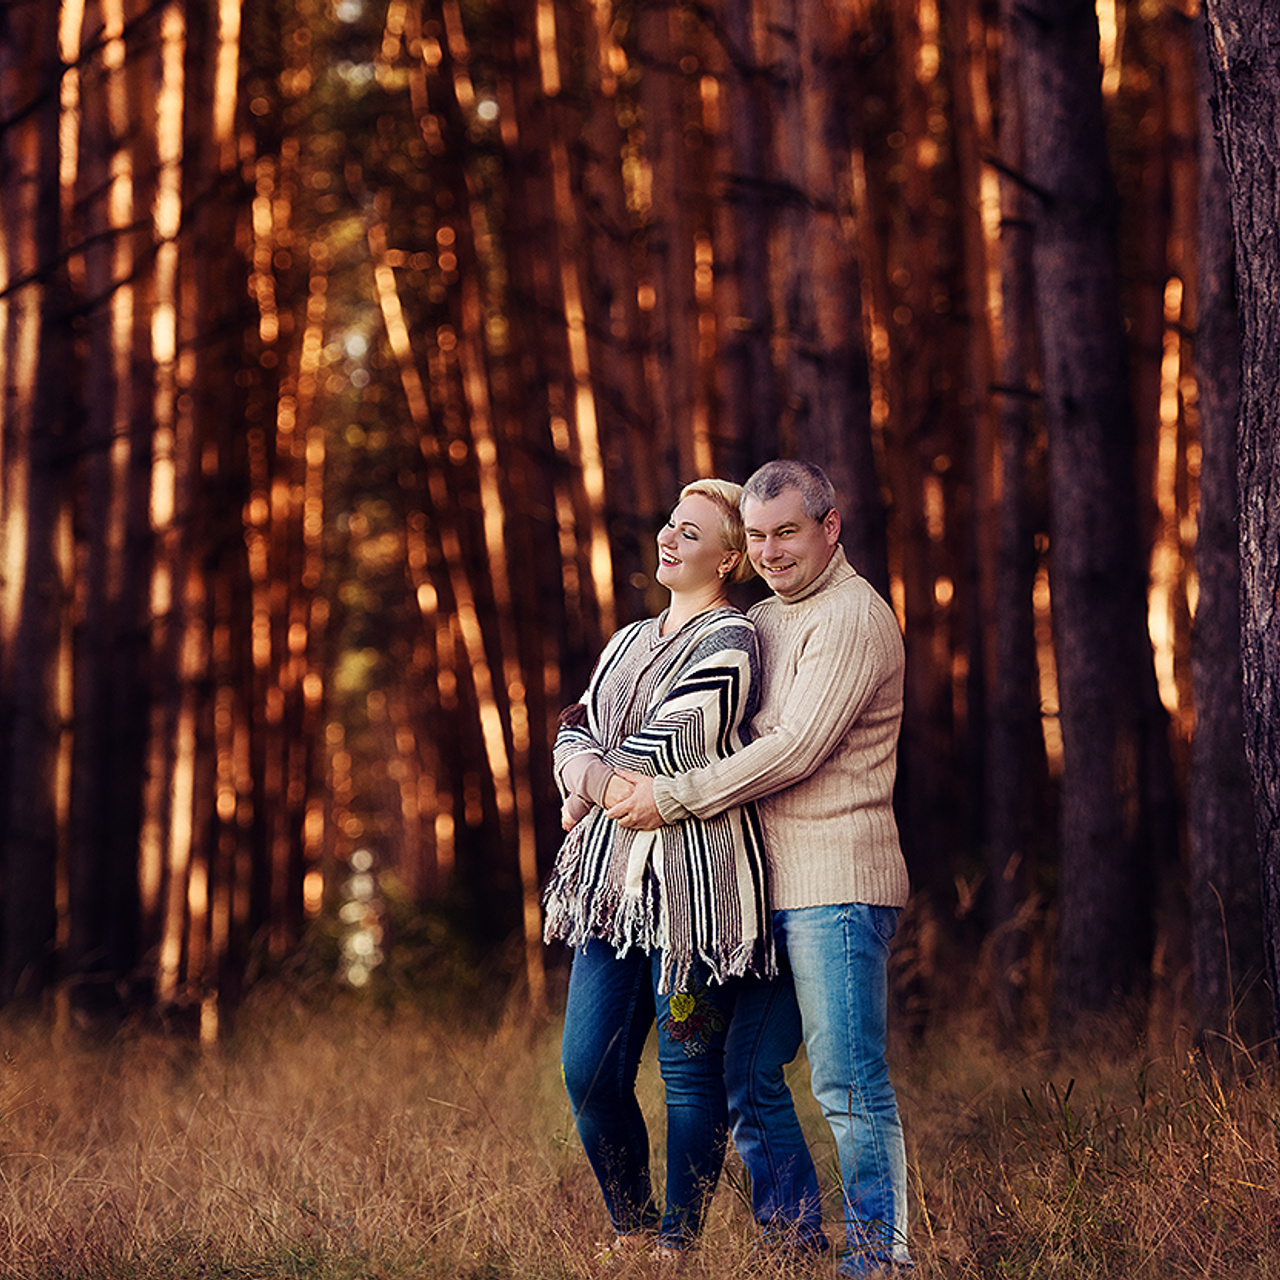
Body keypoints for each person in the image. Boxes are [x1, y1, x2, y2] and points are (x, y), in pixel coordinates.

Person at [606, 459, 913, 1277]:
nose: (772, 552)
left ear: (830, 526)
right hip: (767, 893)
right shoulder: (769, 620)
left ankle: (881, 1258)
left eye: (788, 532)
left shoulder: (851, 616)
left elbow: (796, 749)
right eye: (758, 537)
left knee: (848, 1086)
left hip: (838, 886)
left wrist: (672, 797)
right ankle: (795, 1245)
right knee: (745, 1074)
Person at [543, 478, 774, 1259]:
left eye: (692, 532)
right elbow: (572, 728)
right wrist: (598, 779)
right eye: (669, 524)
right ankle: (632, 1228)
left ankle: (679, 1247)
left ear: (730, 556)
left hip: (694, 900)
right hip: (608, 891)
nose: (668, 540)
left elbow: (680, 742)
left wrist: (589, 776)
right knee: (587, 1071)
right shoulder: (627, 640)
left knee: (687, 1071)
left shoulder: (733, 640)